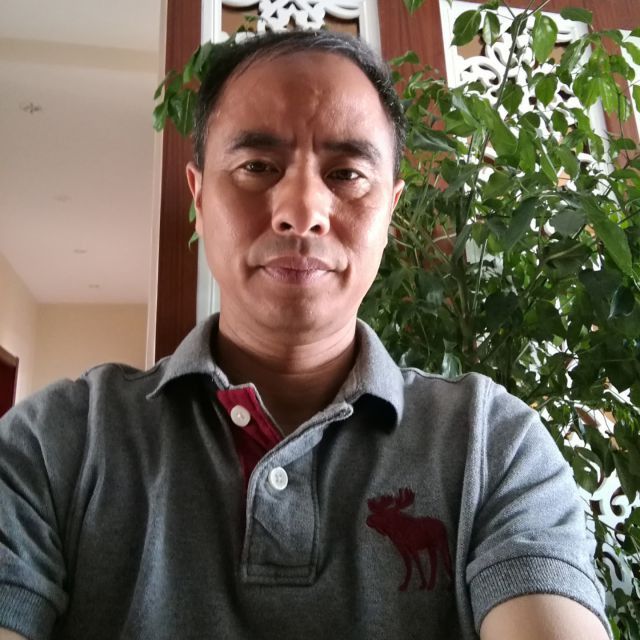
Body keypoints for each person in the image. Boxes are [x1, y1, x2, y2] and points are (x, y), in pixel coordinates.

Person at [0, 30, 611, 640]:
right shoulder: (54, 446)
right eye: (256, 167)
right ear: (199, 199)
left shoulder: (492, 444)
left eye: (347, 173)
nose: (302, 211)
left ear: (390, 211)